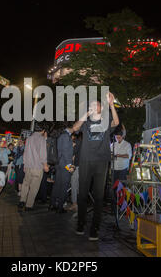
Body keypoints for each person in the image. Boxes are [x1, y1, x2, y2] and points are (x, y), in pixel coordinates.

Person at [73, 92, 120, 241]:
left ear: (101, 108)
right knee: (82, 193)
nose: (94, 106)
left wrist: (112, 104)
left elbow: (117, 123)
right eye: (92, 105)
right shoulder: (86, 123)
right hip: (86, 161)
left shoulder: (106, 122)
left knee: (99, 196)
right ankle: (81, 223)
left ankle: (95, 228)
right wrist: (86, 113)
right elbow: (75, 128)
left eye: (97, 104)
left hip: (101, 162)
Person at [18, 123, 49, 211]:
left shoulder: (29, 138)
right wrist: (45, 165)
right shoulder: (42, 139)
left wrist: (24, 164)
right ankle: (29, 205)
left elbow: (25, 152)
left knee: (25, 184)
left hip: (28, 166)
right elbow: (43, 153)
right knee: (34, 187)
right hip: (37, 167)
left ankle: (22, 201)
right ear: (42, 130)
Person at [50, 124, 75, 213]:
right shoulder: (65, 136)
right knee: (64, 186)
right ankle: (60, 207)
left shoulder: (60, 135)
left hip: (59, 164)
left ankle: (53, 204)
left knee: (57, 185)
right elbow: (66, 153)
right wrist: (70, 166)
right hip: (65, 165)